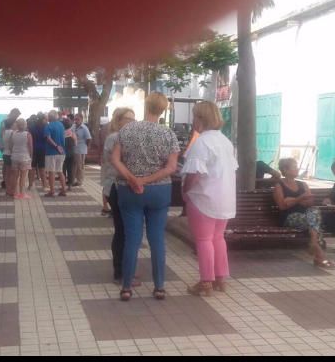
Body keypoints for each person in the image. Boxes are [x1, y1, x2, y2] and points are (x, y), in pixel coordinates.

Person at [111, 92, 180, 301]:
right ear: (163, 109)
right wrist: (148, 180)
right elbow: (171, 167)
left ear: (146, 105)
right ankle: (159, 286)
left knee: (132, 239)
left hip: (128, 191)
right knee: (157, 238)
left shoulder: (127, 130)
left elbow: (115, 160)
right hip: (159, 191)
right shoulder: (168, 134)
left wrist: (134, 179)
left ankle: (126, 287)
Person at [181, 101, 238, 296]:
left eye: (195, 115)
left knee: (204, 239)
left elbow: (194, 173)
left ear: (201, 118)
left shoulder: (202, 142)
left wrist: (185, 190)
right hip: (225, 198)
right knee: (218, 238)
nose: (193, 119)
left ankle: (206, 281)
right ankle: (220, 278)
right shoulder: (225, 142)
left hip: (204, 197)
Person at [102, 107, 141, 286]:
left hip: (120, 187)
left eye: (134, 119)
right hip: (117, 187)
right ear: (118, 120)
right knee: (123, 232)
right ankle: (121, 272)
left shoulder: (122, 137)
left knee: (125, 231)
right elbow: (121, 163)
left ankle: (125, 270)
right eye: (128, 119)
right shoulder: (115, 138)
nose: (132, 122)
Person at [273, 158, 335, 269]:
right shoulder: (279, 186)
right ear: (286, 170)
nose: (297, 169)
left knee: (314, 211)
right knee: (315, 224)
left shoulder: (303, 184)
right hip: (289, 217)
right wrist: (300, 198)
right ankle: (318, 253)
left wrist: (292, 200)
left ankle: (314, 245)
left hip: (307, 216)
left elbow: (310, 202)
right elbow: (282, 206)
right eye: (295, 167)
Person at [44, 110, 67, 197]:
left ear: (49, 117)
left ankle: (52, 191)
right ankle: (63, 190)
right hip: (62, 152)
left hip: (51, 152)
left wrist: (56, 146)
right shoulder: (61, 125)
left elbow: (48, 138)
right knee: (60, 171)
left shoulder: (48, 126)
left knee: (51, 172)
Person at [9, 118, 33, 200]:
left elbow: (10, 146)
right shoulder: (28, 134)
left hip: (14, 157)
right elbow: (30, 147)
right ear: (25, 125)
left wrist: (13, 152)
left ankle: (15, 193)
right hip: (24, 158)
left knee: (15, 176)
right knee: (23, 177)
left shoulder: (13, 134)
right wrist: (31, 156)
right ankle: (22, 194)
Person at [0, 108, 20, 188]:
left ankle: (6, 180)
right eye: (17, 115)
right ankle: (7, 181)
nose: (17, 116)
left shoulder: (4, 122)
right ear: (13, 114)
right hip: (9, 147)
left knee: (6, 164)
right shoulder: (7, 122)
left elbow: (1, 134)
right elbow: (1, 134)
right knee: (8, 165)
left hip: (6, 146)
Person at [29, 113, 48, 190]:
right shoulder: (46, 127)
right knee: (42, 168)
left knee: (32, 168)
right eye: (45, 119)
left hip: (33, 150)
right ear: (43, 119)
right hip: (43, 150)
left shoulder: (32, 128)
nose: (46, 120)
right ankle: (45, 185)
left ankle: (30, 185)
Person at [72, 113, 92, 187]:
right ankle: (73, 179)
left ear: (81, 120)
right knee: (74, 165)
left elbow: (89, 139)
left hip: (81, 149)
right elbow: (70, 132)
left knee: (80, 166)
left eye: (77, 119)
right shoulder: (73, 126)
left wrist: (87, 148)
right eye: (75, 119)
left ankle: (79, 181)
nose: (75, 121)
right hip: (74, 148)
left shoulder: (84, 128)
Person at [62, 118, 77, 190]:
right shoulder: (72, 133)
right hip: (71, 153)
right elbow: (75, 143)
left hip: (63, 154)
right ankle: (70, 185)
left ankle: (63, 185)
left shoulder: (61, 133)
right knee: (70, 169)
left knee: (63, 170)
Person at [2, 119, 15, 196]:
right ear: (11, 124)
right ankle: (10, 190)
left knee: (7, 172)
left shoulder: (4, 132)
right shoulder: (12, 133)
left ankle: (7, 189)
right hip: (11, 154)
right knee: (11, 173)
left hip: (5, 153)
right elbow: (12, 144)